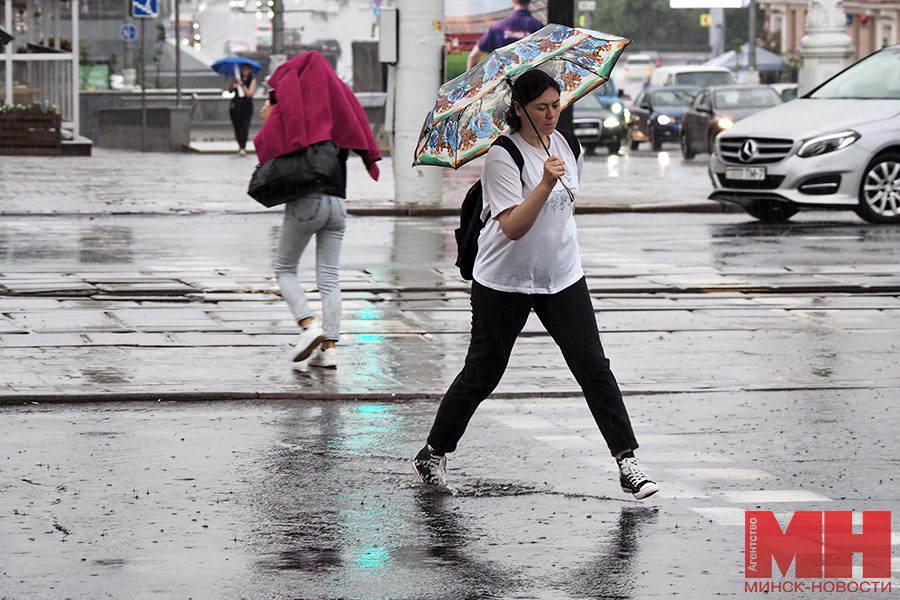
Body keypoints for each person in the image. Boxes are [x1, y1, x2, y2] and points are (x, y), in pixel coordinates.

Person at [412, 69, 658, 500]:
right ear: (518, 109)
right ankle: (433, 452)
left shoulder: (569, 144)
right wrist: (544, 183)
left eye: (556, 105)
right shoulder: (501, 158)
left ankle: (627, 462)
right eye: (541, 107)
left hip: (562, 275)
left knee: (593, 367)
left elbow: (568, 209)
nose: (551, 114)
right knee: (483, 372)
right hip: (503, 280)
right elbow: (513, 228)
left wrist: (556, 219)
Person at [254, 51, 381, 368]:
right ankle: (330, 350)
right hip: (338, 204)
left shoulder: (300, 111)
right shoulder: (340, 109)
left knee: (284, 269)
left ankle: (308, 327)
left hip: (307, 201)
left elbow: (280, 140)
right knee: (329, 277)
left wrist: (273, 113)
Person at [466, 0, 544, 69]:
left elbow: (473, 57)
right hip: (532, 81)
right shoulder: (540, 27)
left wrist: (471, 82)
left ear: (513, 1)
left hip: (505, 82)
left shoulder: (497, 27)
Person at [229, 63, 257, 156]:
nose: (244, 71)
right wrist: (233, 85)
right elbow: (229, 90)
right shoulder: (236, 79)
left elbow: (249, 93)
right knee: (237, 126)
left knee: (244, 125)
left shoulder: (252, 80)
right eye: (243, 69)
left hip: (246, 105)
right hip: (236, 105)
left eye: (246, 69)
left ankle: (243, 146)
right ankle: (239, 144)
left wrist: (242, 84)